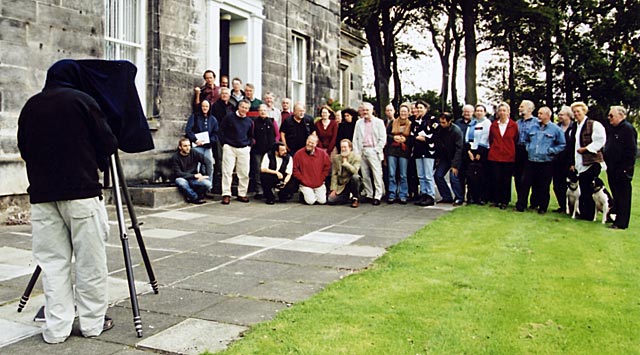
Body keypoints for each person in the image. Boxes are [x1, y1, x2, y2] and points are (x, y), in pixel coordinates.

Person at [17, 60, 118, 343]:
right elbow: (108, 144)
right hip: (81, 193)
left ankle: (56, 329)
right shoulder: (83, 101)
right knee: (91, 264)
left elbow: (24, 148)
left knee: (53, 265)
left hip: (43, 196)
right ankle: (91, 324)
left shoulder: (31, 106)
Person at [516, 106, 566, 214]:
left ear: (548, 115)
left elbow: (562, 144)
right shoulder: (533, 127)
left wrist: (551, 150)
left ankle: (542, 207)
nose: (538, 115)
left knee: (543, 185)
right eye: (538, 113)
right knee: (525, 183)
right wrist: (528, 148)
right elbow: (526, 139)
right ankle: (521, 205)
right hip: (531, 160)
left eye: (541, 113)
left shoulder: (556, 129)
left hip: (546, 161)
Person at [569, 101, 607, 221]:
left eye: (578, 111)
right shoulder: (574, 127)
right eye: (574, 112)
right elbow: (573, 145)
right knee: (584, 188)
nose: (576, 114)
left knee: (589, 188)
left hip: (592, 162)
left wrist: (586, 148)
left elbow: (600, 141)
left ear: (584, 111)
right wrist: (572, 163)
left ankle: (590, 214)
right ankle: (584, 213)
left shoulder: (594, 124)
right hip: (579, 162)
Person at [604, 106, 637, 229]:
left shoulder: (627, 129)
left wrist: (626, 168)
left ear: (621, 115)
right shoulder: (614, 129)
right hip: (612, 167)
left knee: (623, 196)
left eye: (611, 115)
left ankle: (621, 223)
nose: (609, 118)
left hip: (622, 169)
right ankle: (615, 218)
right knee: (616, 195)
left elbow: (631, 150)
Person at [220, 99, 254, 204]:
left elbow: (251, 136)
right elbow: (221, 131)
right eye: (243, 107)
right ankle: (226, 194)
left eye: (246, 108)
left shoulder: (249, 121)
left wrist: (248, 145)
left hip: (243, 148)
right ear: (239, 107)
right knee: (227, 172)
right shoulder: (229, 117)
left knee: (244, 172)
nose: (244, 109)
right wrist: (224, 144)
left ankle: (242, 193)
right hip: (229, 147)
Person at [353, 102, 387, 205]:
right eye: (364, 110)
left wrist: (377, 150)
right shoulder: (359, 123)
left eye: (367, 110)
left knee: (377, 174)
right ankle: (369, 194)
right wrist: (357, 152)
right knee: (365, 174)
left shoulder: (379, 122)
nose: (365, 112)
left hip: (373, 150)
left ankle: (378, 195)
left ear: (372, 111)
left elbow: (383, 138)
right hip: (362, 150)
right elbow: (355, 138)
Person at [487, 102, 519, 209]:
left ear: (508, 112)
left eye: (504, 110)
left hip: (508, 156)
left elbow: (515, 139)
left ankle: (504, 201)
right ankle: (495, 200)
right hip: (495, 155)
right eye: (500, 110)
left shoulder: (513, 125)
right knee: (495, 178)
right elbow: (491, 139)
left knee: (506, 179)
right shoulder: (494, 125)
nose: (502, 113)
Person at [185, 100, 219, 186]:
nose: (205, 108)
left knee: (209, 166)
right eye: (203, 106)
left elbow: (216, 134)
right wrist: (195, 140)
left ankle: (208, 186)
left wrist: (209, 141)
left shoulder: (213, 119)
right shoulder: (194, 117)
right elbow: (188, 130)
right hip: (197, 146)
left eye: (207, 106)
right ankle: (196, 185)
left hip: (207, 147)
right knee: (196, 167)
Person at [250, 104, 280, 199]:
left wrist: (274, 143)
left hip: (269, 150)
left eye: (264, 110)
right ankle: (259, 190)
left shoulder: (272, 121)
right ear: (258, 111)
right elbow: (251, 134)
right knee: (258, 170)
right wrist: (254, 142)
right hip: (257, 150)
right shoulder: (254, 122)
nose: (263, 112)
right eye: (261, 110)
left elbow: (277, 134)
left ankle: (270, 189)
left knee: (270, 168)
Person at [434, 112, 464, 206]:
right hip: (445, 157)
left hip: (455, 156)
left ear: (449, 121)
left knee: (453, 177)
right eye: (441, 122)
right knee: (438, 175)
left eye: (444, 122)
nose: (441, 124)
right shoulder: (439, 129)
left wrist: (455, 165)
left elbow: (459, 149)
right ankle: (446, 196)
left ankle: (459, 197)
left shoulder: (456, 131)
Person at [292, 135, 331, 205]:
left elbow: (327, 167)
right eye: (308, 142)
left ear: (316, 144)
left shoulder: (323, 154)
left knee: (322, 201)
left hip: (319, 183)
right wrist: (302, 179)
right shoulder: (298, 154)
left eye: (312, 143)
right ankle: (303, 194)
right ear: (306, 141)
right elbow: (295, 169)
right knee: (310, 201)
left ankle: (312, 194)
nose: (309, 144)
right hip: (305, 184)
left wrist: (322, 178)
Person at [172, 138, 212, 204]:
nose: (188, 148)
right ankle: (195, 197)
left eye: (189, 145)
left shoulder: (193, 152)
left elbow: (207, 162)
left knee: (208, 184)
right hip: (184, 178)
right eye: (185, 146)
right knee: (180, 181)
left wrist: (206, 175)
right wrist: (194, 176)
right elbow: (178, 173)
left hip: (194, 179)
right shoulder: (176, 157)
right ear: (180, 147)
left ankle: (195, 195)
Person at [514, 100, 539, 208]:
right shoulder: (517, 123)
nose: (519, 108)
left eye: (521, 106)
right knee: (518, 177)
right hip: (518, 150)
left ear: (530, 109)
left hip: (530, 151)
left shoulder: (537, 122)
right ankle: (521, 201)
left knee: (531, 177)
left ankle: (534, 202)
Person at [386, 103, 412, 204]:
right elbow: (387, 135)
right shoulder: (393, 122)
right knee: (392, 174)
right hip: (392, 150)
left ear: (408, 113)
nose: (403, 113)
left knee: (403, 174)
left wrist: (405, 139)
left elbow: (412, 138)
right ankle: (392, 193)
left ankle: (403, 194)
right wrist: (394, 138)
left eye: (405, 111)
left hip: (404, 152)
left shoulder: (410, 124)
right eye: (402, 111)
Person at [551, 106, 575, 212]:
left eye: (562, 114)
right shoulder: (556, 128)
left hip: (569, 160)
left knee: (570, 185)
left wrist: (573, 163)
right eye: (559, 114)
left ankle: (573, 207)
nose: (559, 116)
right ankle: (563, 206)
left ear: (569, 116)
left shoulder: (574, 128)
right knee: (557, 185)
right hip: (557, 161)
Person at [328, 139, 362, 208]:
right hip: (342, 185)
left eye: (345, 147)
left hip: (351, 182)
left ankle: (355, 198)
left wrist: (346, 164)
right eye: (342, 147)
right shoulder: (336, 158)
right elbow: (334, 174)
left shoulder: (356, 157)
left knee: (355, 177)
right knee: (330, 200)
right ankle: (346, 197)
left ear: (350, 148)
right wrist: (333, 189)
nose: (343, 149)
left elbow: (355, 171)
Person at [455, 104, 475, 202]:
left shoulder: (475, 123)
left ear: (473, 112)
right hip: (459, 153)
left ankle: (471, 196)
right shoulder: (458, 123)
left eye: (469, 111)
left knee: (471, 176)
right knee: (460, 176)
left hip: (471, 153)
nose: (467, 113)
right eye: (465, 111)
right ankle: (460, 196)